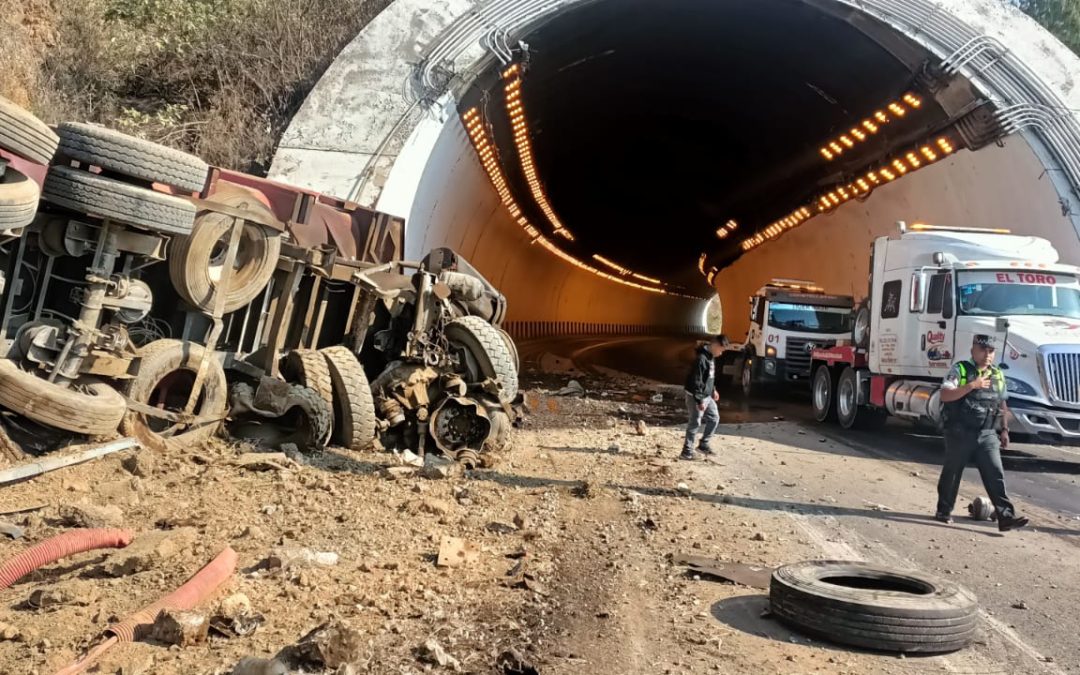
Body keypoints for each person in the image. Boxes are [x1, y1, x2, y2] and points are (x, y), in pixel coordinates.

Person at [935, 334, 1028, 532]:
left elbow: (1002, 402)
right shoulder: (960, 369)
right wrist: (972, 386)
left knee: (995, 473)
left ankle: (1006, 517)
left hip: (987, 434)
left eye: (991, 351)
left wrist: (1004, 429)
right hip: (960, 432)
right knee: (952, 472)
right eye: (983, 350)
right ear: (973, 351)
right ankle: (944, 511)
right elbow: (945, 394)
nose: (987, 354)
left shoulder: (997, 374)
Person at [681, 335, 726, 460]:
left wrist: (713, 390)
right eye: (721, 350)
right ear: (715, 345)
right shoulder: (701, 359)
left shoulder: (711, 357)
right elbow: (697, 381)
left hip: (707, 394)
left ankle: (703, 444)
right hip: (695, 395)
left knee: (714, 418)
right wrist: (699, 400)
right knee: (695, 422)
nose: (721, 353)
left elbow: (709, 377)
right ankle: (687, 451)